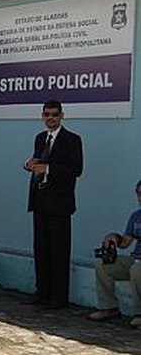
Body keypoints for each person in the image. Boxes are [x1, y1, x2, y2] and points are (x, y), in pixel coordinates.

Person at [23, 100, 83, 309]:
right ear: (42, 116)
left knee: (59, 250)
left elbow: (76, 169)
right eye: (47, 114)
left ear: (61, 116)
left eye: (54, 115)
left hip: (60, 204)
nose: (51, 118)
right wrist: (28, 165)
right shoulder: (40, 138)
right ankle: (42, 292)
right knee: (41, 248)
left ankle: (58, 298)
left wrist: (47, 169)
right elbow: (36, 161)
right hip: (40, 200)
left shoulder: (72, 140)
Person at [87, 180, 141, 326]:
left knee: (137, 269)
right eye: (139, 194)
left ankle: (139, 313)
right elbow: (126, 242)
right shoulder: (136, 216)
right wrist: (114, 238)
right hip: (135, 258)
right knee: (103, 264)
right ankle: (109, 308)